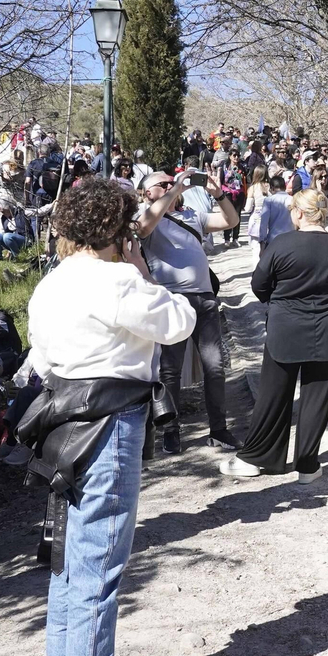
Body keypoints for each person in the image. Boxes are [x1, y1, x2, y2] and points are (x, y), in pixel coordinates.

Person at [25, 178, 197, 656]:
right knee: (100, 554)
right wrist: (139, 266)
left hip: (64, 418)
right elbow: (179, 323)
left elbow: (44, 357)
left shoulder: (51, 283)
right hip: (112, 417)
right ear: (116, 231)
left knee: (69, 551)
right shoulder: (119, 280)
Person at [221, 190, 328, 484]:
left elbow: (259, 285)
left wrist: (281, 300)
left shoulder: (282, 244)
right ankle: (307, 465)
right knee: (317, 399)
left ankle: (257, 457)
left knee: (274, 395)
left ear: (298, 212)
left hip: (286, 327)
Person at [135, 170, 241, 456]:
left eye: (173, 181)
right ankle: (171, 431)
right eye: (164, 183)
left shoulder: (192, 215)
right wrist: (175, 189)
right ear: (148, 193)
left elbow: (231, 221)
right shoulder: (147, 216)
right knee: (170, 370)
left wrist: (217, 193)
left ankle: (218, 430)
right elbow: (143, 228)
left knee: (215, 366)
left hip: (205, 299)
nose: (172, 185)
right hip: (172, 301)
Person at [255, 173, 296, 246]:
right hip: (291, 238)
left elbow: (264, 223)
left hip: (274, 238)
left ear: (272, 188)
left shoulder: (269, 200)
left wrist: (262, 241)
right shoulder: (293, 200)